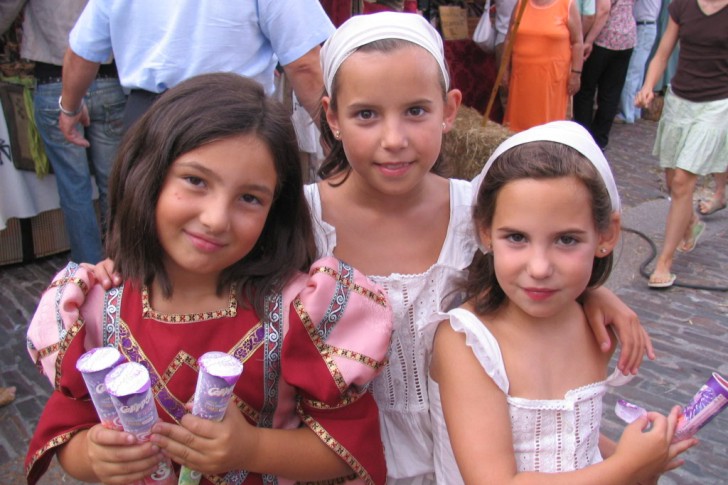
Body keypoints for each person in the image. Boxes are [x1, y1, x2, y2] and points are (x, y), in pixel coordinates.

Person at [89, 12, 653, 484]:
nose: (394, 139)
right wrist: (134, 262)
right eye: (365, 114)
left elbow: (539, 258)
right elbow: (214, 252)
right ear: (331, 117)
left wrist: (594, 295)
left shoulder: (480, 209)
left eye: (415, 111)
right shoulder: (297, 216)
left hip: (465, 454)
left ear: (450, 109)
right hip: (334, 455)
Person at [24, 73, 391, 485]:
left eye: (250, 198)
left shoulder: (298, 313)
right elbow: (67, 436)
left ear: (276, 211)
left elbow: (349, 450)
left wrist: (251, 448)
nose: (216, 219)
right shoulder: (94, 309)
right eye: (196, 181)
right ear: (148, 174)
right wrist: (93, 455)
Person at [429, 121, 696, 483]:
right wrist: (626, 467)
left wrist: (641, 459)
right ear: (485, 231)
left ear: (606, 235)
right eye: (517, 237)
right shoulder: (467, 342)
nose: (539, 268)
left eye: (567, 240)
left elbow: (571, 439)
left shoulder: (593, 323)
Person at [58, 0, 334, 144]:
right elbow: (304, 65)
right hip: (234, 118)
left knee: (145, 234)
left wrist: (69, 108)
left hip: (150, 116)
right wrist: (335, 137)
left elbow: (82, 51)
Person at [0, 0, 125, 264]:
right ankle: (123, 266)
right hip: (108, 77)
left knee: (74, 188)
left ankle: (88, 272)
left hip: (54, 77)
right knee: (116, 184)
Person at [635, 0, 728, 288]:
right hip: (679, 101)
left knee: (683, 181)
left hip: (716, 104)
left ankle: (665, 261)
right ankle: (689, 225)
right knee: (672, 179)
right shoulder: (683, 5)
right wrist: (648, 86)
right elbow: (662, 54)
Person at [502, 0, 584, 132]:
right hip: (522, 81)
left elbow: (578, 43)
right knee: (518, 125)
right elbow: (508, 39)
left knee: (548, 127)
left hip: (552, 82)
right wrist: (504, 69)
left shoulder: (567, 5)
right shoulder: (520, 4)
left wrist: (576, 73)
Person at [573, 0, 637, 150]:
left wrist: (588, 40)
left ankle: (584, 138)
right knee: (611, 94)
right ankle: (600, 139)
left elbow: (603, 10)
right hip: (626, 37)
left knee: (585, 90)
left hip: (603, 37)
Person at [615, 0, 661, 124]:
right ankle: (634, 110)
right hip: (646, 26)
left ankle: (627, 113)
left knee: (632, 71)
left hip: (643, 26)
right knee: (638, 71)